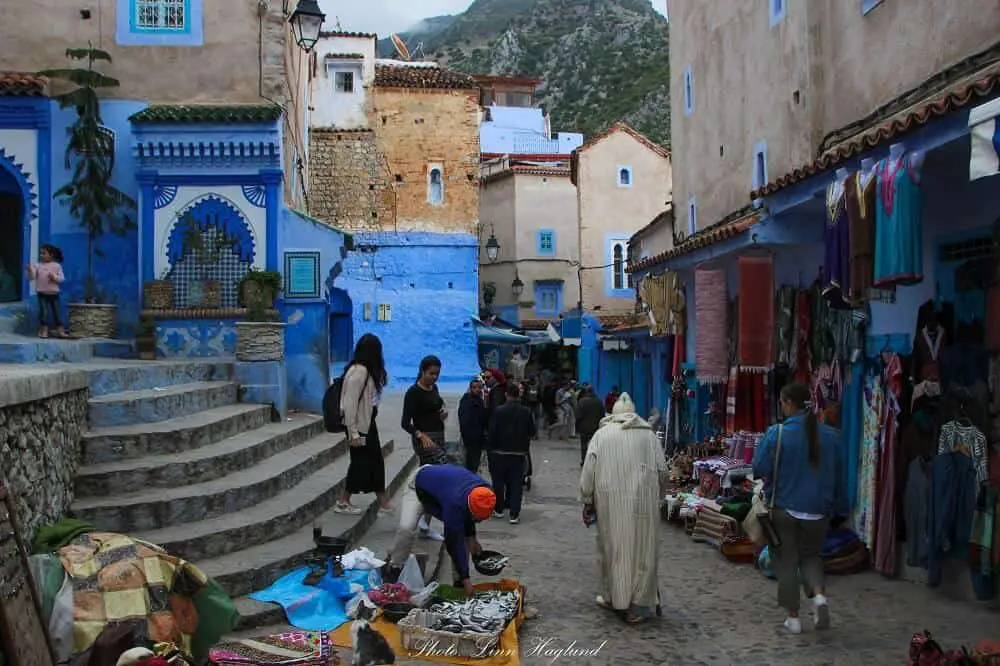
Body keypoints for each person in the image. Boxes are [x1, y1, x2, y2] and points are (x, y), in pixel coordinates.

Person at [751, 382, 847, 635]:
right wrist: (839, 507)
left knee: (786, 562)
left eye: (782, 402)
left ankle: (793, 618)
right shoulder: (831, 436)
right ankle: (818, 599)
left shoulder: (777, 433)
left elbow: (759, 468)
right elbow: (839, 476)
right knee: (812, 556)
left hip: (785, 508)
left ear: (789, 403)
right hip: (818, 510)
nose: (781, 407)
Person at [580, 393, 667, 624]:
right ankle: (638, 606)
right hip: (644, 503)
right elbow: (662, 471)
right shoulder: (649, 436)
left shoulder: (601, 435)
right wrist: (660, 497)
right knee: (643, 551)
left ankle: (613, 597)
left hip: (610, 503)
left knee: (613, 549)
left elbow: (589, 470)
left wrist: (587, 500)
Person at [389, 464, 496, 597]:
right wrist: (467, 578)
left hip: (441, 488)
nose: (479, 521)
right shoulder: (455, 503)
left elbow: (468, 517)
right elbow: (452, 542)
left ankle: (458, 583)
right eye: (477, 518)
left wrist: (472, 537)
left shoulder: (487, 493)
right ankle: (395, 567)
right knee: (407, 527)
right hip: (418, 486)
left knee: (463, 536)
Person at [335, 334, 393, 515]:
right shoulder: (359, 371)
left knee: (374, 461)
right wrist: (353, 433)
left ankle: (382, 500)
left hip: (367, 423)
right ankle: (344, 500)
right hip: (359, 426)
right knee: (361, 462)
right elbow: (350, 403)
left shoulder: (364, 370)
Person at [487, 383, 535, 524]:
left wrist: (490, 447)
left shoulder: (498, 411)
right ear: (518, 395)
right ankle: (514, 514)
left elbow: (492, 431)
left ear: (506, 395)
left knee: (498, 483)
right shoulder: (526, 411)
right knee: (516, 485)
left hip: (499, 452)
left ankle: (499, 509)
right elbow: (532, 432)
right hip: (518, 453)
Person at [26, 244, 67, 338]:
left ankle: (60, 330)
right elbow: (32, 278)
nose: (41, 255)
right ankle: (44, 330)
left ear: (51, 255)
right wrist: (29, 271)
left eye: (44, 253)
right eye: (41, 253)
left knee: (57, 313)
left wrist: (54, 277)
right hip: (42, 294)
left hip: (54, 294)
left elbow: (62, 279)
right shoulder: (38, 265)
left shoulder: (57, 266)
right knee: (43, 313)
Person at [458, 378, 488, 472]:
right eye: (475, 387)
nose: (477, 389)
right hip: (471, 437)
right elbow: (464, 420)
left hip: (478, 437)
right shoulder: (467, 401)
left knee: (475, 462)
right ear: (470, 388)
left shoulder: (479, 400)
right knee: (471, 462)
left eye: (479, 387)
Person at [575, 386, 606, 466]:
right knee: (595, 445)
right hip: (595, 428)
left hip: (584, 428)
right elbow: (602, 415)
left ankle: (584, 460)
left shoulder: (582, 401)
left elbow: (578, 415)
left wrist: (577, 426)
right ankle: (594, 460)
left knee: (584, 445)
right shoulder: (598, 402)